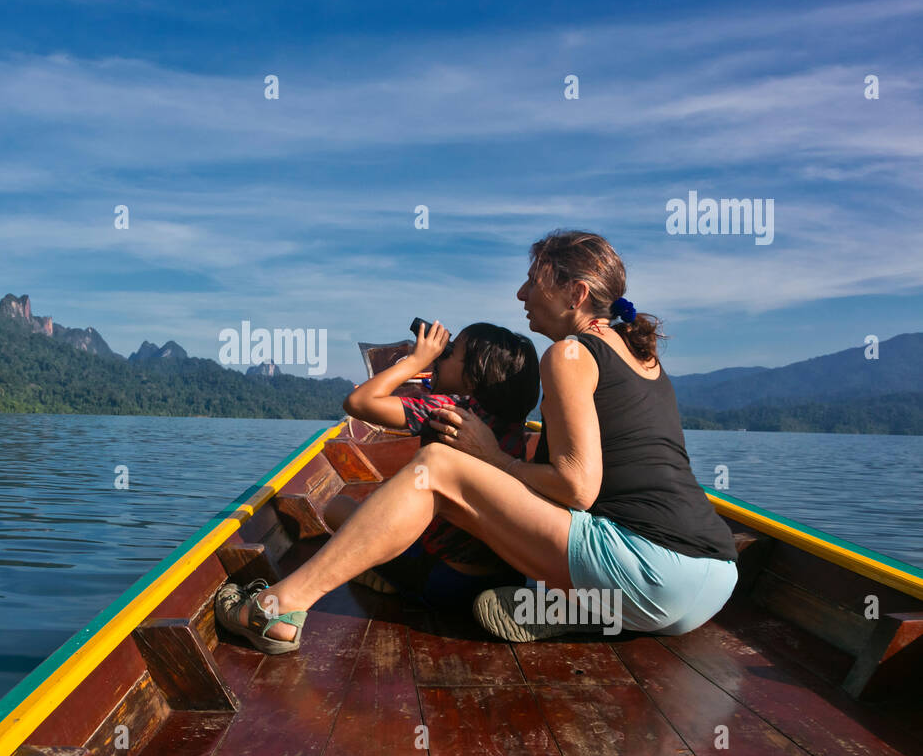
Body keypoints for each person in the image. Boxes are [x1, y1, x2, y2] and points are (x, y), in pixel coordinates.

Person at [215, 229, 739, 654]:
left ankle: (272, 608)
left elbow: (578, 487)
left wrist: (488, 455)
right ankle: (566, 609)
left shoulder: (570, 355)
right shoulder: (643, 356)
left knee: (438, 467)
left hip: (649, 573)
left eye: (533, 282)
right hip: (712, 583)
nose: (520, 295)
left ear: (576, 293)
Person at [324, 321, 539, 614]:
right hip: (507, 578)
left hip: (444, 582)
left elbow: (359, 401)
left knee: (337, 506)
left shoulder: (448, 411)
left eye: (449, 354)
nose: (439, 357)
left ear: (473, 379)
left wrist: (417, 360)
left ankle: (377, 574)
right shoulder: (512, 421)